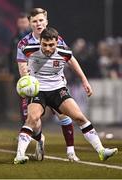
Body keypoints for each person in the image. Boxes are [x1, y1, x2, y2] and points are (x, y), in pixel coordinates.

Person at [14, 27, 118, 164]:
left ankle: (101, 151)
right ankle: (19, 155)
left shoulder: (65, 52)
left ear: (57, 43)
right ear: (40, 42)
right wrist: (25, 76)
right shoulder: (29, 49)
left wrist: (84, 81)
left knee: (80, 117)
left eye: (51, 45)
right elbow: (20, 60)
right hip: (38, 91)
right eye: (44, 44)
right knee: (32, 119)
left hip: (58, 90)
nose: (47, 48)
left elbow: (74, 64)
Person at [14, 8, 79, 162]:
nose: (38, 24)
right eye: (35, 21)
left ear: (46, 21)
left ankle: (70, 151)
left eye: (41, 20)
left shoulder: (57, 39)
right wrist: (27, 83)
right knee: (32, 120)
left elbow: (68, 58)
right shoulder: (24, 43)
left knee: (64, 114)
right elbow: (23, 67)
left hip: (55, 86)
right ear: (30, 23)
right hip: (35, 86)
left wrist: (80, 78)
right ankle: (39, 139)